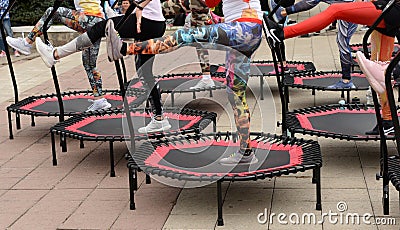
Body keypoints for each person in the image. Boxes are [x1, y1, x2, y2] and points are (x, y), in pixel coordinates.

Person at [35, 0, 264, 165]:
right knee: (235, 93)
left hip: (244, 29)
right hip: (249, 33)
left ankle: (124, 48)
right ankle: (246, 151)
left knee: (186, 36)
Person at [264, 0, 400, 134]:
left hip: (390, 9)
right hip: (388, 12)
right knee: (382, 75)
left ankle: (281, 33)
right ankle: (388, 121)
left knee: (335, 10)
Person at [33, 0, 169, 134]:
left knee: (100, 27)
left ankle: (55, 54)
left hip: (147, 21)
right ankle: (159, 118)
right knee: (144, 71)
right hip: (155, 24)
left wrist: (140, 6)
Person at [6, 0, 111, 111]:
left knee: (53, 11)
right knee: (90, 65)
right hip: (98, 22)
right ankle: (100, 100)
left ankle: (27, 43)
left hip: (89, 18)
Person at [267, 0, 358, 89]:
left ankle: (347, 81)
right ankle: (282, 13)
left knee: (343, 43)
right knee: (341, 42)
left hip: (352, 8)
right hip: (348, 7)